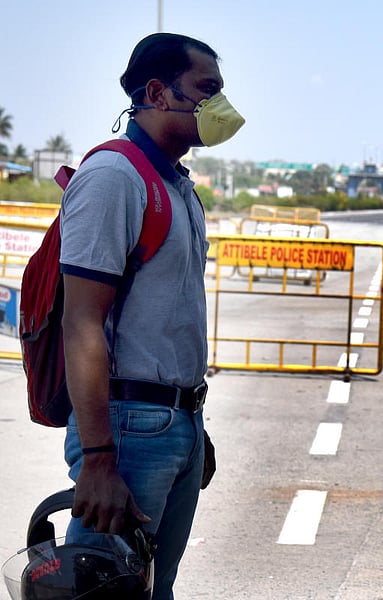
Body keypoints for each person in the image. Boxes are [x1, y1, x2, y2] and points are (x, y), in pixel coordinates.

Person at [59, 33, 244, 599]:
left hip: (173, 422)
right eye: (206, 90)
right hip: (128, 427)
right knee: (103, 590)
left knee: (151, 590)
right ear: (160, 93)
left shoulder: (178, 184)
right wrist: (97, 459)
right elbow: (82, 324)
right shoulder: (117, 178)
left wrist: (191, 424)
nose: (220, 106)